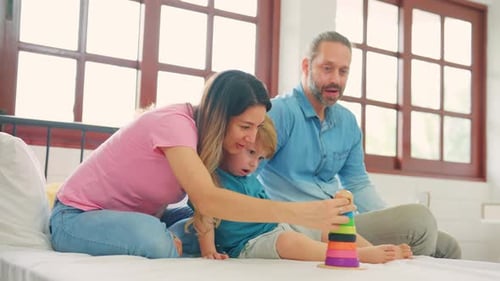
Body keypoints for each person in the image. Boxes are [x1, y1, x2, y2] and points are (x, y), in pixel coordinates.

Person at [49, 69, 355, 259]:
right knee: (155, 240)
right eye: (245, 127)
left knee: (225, 227)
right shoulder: (175, 125)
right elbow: (210, 199)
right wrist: (301, 211)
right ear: (221, 115)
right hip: (78, 217)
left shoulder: (205, 142)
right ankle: (164, 242)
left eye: (256, 128)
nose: (251, 139)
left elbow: (212, 206)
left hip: (146, 216)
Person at [257, 31, 462, 259]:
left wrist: (390, 218)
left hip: (341, 222)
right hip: (304, 225)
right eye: (327, 68)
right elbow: (247, 176)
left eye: (343, 71)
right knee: (420, 220)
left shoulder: (347, 122)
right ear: (306, 66)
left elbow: (358, 183)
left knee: (447, 244)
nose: (336, 79)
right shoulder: (280, 112)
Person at [197, 115, 412, 263]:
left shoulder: (250, 178)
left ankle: (373, 250)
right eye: (251, 153)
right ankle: (360, 256)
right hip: (246, 245)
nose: (254, 164)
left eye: (260, 158)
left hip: (276, 229)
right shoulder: (211, 178)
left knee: (328, 228)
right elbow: (203, 214)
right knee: (291, 242)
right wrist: (209, 251)